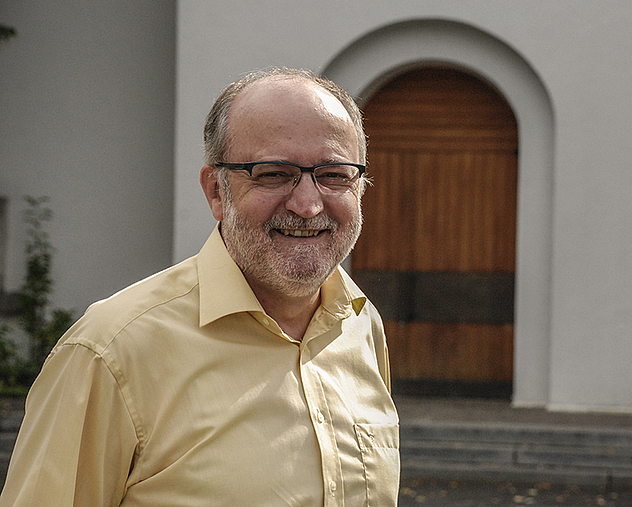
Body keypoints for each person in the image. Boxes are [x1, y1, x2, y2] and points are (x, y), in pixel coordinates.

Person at [0, 67, 400, 506]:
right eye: (272, 174)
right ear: (216, 190)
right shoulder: (110, 352)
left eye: (334, 174)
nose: (307, 204)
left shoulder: (361, 326)